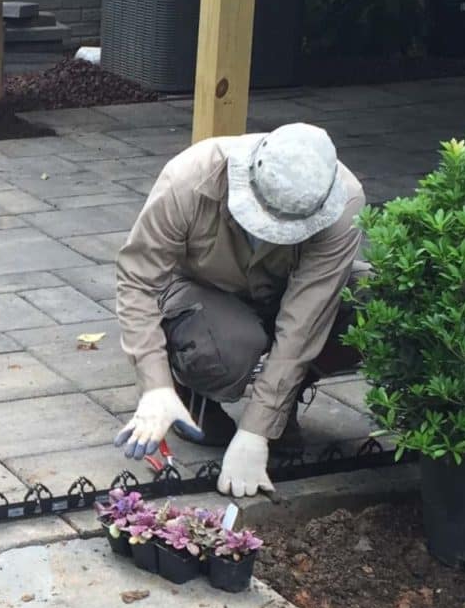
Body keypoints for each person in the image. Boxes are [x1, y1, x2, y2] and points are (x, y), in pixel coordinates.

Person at [112, 123, 365, 499]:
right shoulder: (190, 178)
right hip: (204, 292)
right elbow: (139, 281)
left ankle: (285, 402)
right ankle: (190, 393)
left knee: (372, 308)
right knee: (231, 345)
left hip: (286, 294)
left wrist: (256, 429)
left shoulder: (342, 203)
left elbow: (305, 323)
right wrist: (155, 386)